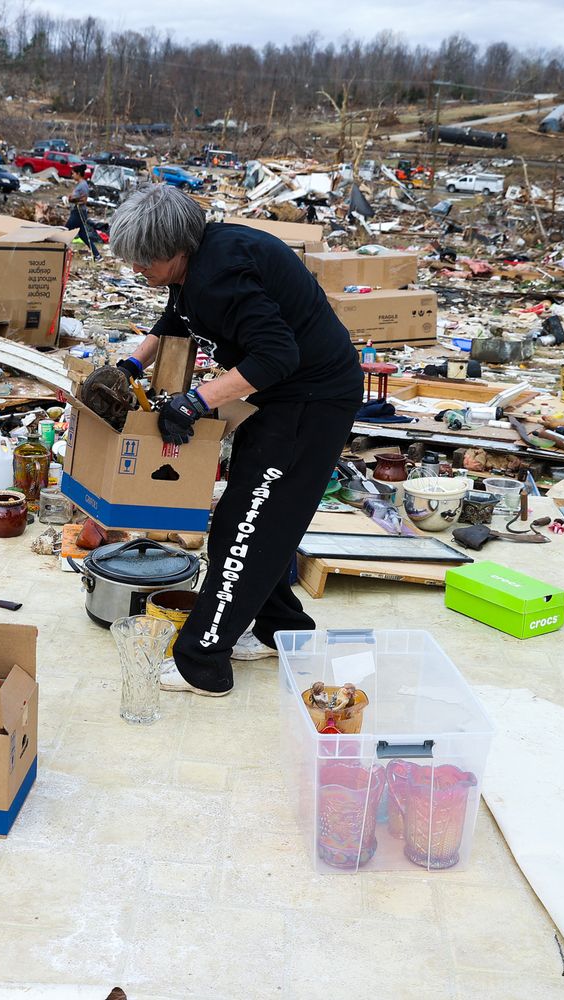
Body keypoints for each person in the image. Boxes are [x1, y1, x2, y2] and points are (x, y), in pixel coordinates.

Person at [109, 185, 363, 696]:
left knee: (247, 528)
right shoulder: (201, 259)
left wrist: (196, 401)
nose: (138, 270)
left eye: (145, 261)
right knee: (250, 521)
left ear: (176, 247)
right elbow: (174, 319)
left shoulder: (219, 277)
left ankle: (201, 661)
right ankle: (281, 632)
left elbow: (275, 358)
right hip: (286, 398)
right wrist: (132, 364)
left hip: (311, 401)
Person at [65, 177, 101, 261]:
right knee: (83, 235)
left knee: (65, 232)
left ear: (78, 173)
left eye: (73, 173)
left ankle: (58, 252)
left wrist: (71, 199)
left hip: (78, 212)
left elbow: (84, 200)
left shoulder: (82, 185)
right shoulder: (82, 184)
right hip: (78, 211)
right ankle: (97, 255)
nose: (72, 175)